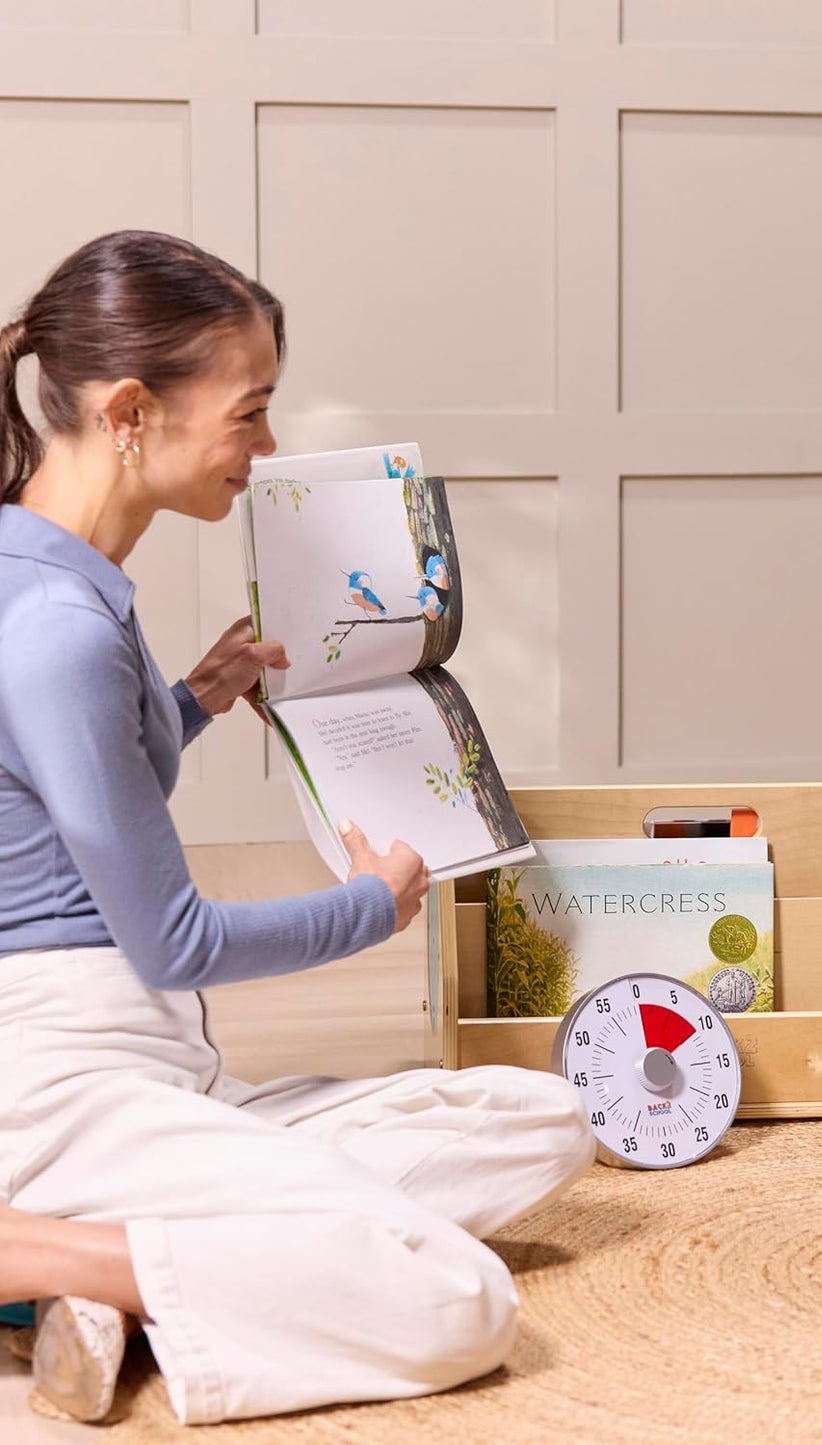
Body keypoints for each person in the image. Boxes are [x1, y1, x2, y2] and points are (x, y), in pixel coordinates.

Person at [0, 230, 594, 1425]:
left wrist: (194, 698)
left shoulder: (48, 574)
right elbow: (172, 939)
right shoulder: (56, 626)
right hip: (64, 1072)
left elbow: (66, 790)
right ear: (130, 410)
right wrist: (368, 907)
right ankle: (35, 1257)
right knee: (452, 1298)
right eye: (249, 411)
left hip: (155, 1062)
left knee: (540, 1117)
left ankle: (125, 1273)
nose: (264, 449)